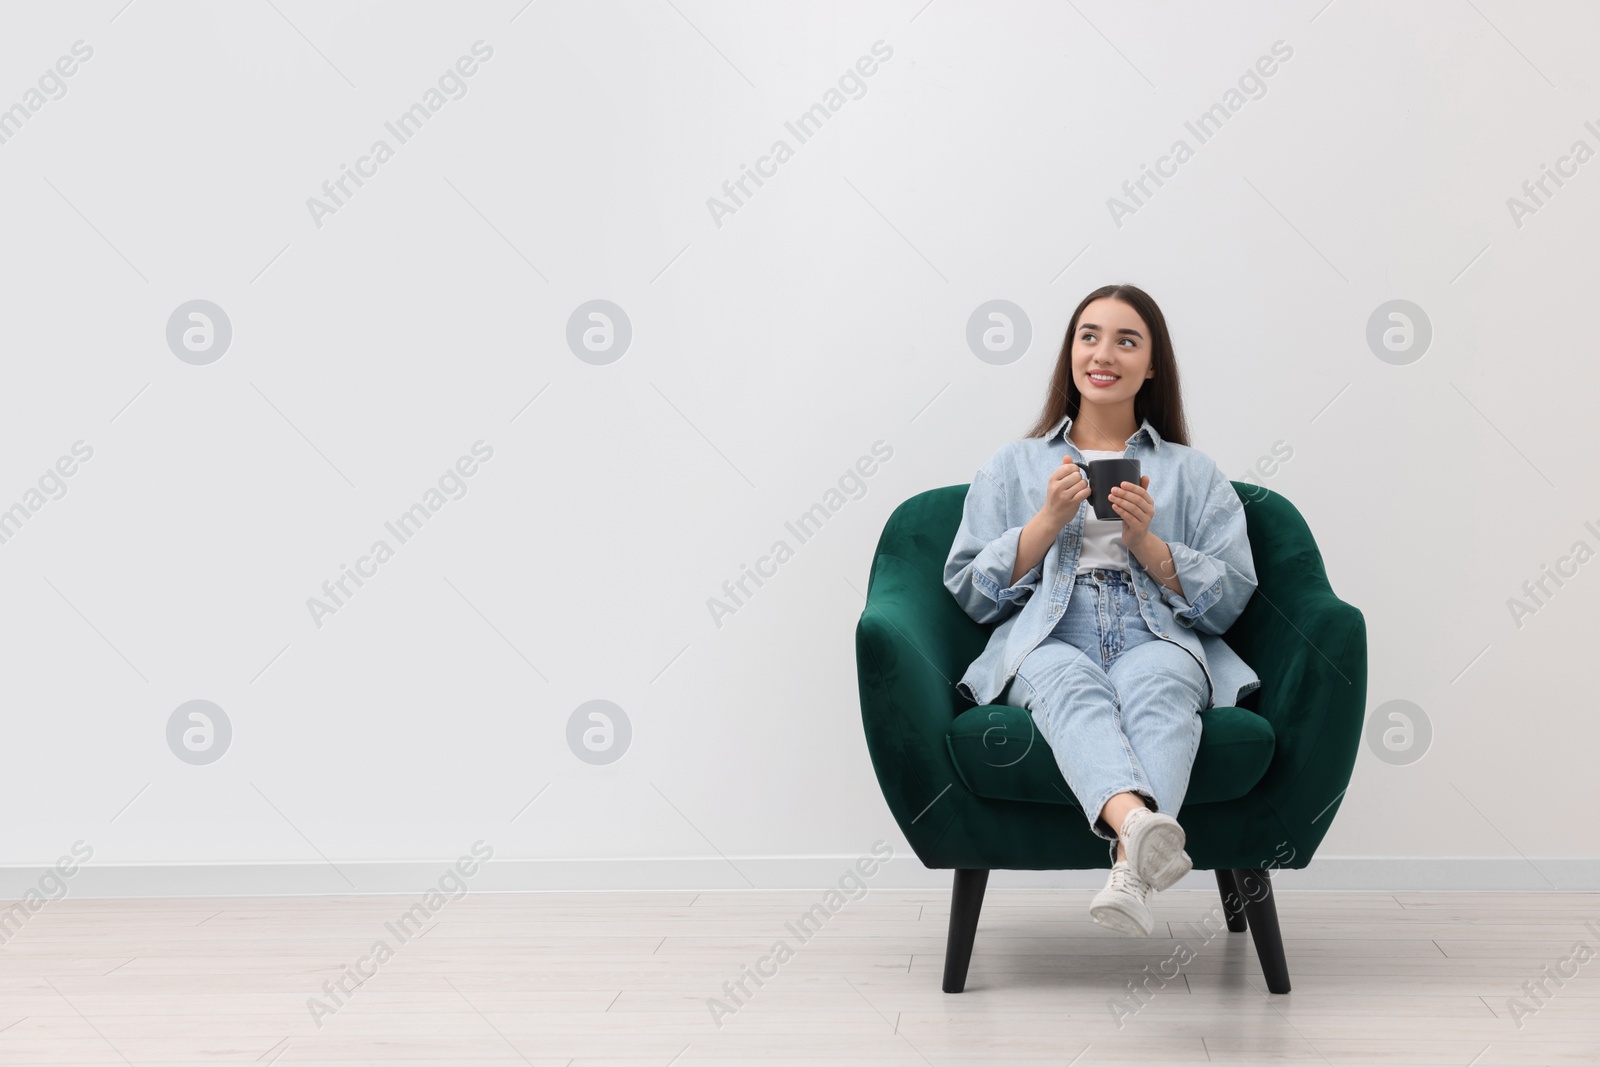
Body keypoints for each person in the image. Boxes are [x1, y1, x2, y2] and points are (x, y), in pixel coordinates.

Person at [943, 283, 1261, 937]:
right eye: (1089, 335)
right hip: (1051, 629)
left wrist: (1148, 542)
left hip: (1157, 630)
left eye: (1126, 339)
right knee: (1068, 685)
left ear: (1151, 365)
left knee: (1162, 686)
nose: (1103, 352)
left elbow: (1228, 601)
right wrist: (1047, 520)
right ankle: (1139, 837)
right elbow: (971, 590)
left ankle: (1129, 864)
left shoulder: (1193, 473)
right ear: (1070, 355)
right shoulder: (1014, 464)